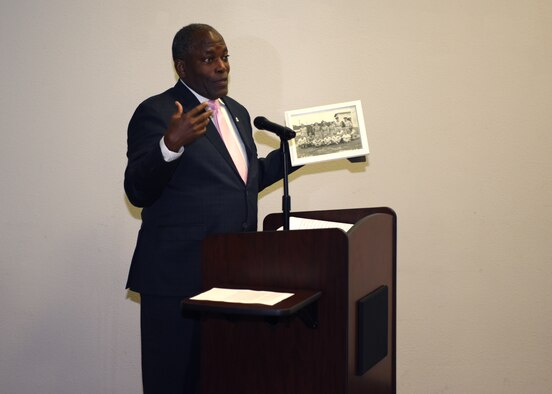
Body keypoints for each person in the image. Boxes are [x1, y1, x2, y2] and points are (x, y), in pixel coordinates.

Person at [124, 23, 292, 393]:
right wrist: (170, 144)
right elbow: (137, 189)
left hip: (231, 276)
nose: (222, 66)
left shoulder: (237, 113)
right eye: (209, 58)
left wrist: (296, 154)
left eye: (225, 56)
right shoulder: (156, 112)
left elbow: (243, 184)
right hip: (176, 283)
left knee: (222, 379)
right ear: (182, 67)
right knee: (174, 382)